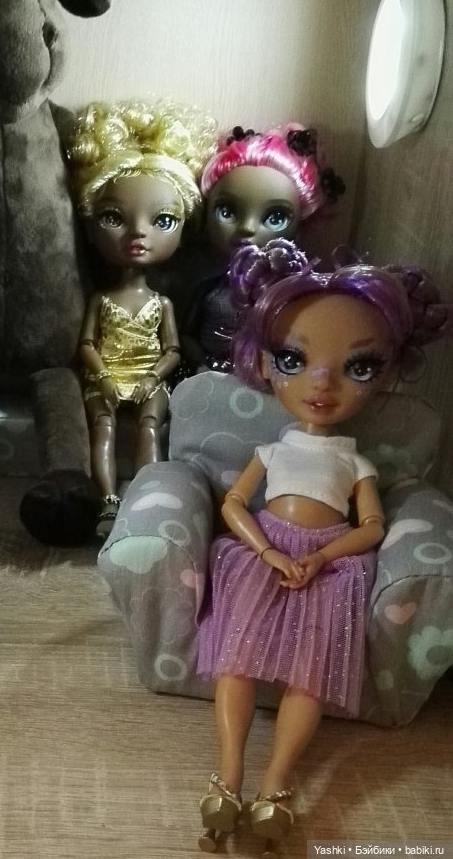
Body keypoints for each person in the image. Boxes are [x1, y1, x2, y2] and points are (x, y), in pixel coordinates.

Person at [194, 238, 451, 852]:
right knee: (235, 659)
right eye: (293, 358)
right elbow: (233, 505)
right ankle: (227, 777)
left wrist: (320, 557)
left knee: (309, 675)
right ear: (263, 363)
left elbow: (371, 527)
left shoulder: (356, 461)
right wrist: (268, 551)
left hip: (329, 563)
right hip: (265, 551)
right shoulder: (270, 450)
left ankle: (276, 787)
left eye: (358, 367)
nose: (321, 382)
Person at [67, 99, 217, 538]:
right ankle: (107, 502)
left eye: (163, 220)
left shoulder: (163, 303)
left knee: (151, 427)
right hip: (106, 376)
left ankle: (144, 500)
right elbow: (86, 343)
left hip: (150, 375)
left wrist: (153, 377)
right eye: (114, 217)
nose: (138, 233)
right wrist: (102, 376)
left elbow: (172, 349)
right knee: (103, 428)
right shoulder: (100, 298)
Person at [187, 123, 341, 371]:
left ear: (300, 226)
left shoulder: (288, 294)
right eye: (226, 211)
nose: (247, 228)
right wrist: (199, 362)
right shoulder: (209, 289)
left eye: (275, 217)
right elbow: (186, 333)